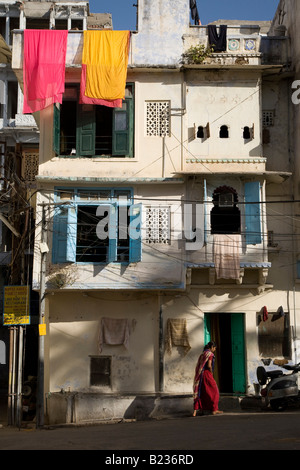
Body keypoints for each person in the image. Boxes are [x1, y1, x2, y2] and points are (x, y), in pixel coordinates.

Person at [193, 341, 223, 416]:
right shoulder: (210, 354)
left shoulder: (203, 354)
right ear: (212, 347)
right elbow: (209, 365)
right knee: (215, 391)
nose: (215, 350)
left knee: (205, 391)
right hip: (207, 374)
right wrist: (211, 372)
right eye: (214, 348)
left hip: (201, 375)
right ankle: (214, 409)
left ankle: (204, 408)